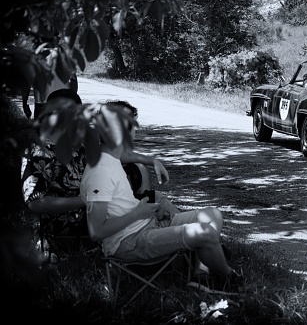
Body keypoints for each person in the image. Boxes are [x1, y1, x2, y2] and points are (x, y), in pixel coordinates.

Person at [80, 100, 243, 294]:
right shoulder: (100, 173)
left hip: (146, 225)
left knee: (213, 215)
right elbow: (96, 231)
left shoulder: (107, 157)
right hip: (129, 242)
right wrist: (137, 214)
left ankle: (201, 275)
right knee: (206, 232)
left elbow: (123, 157)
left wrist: (151, 161)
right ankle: (230, 278)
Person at [20, 91, 171, 249]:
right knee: (155, 203)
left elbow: (112, 154)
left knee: (146, 184)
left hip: (97, 207)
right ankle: (153, 245)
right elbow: (35, 203)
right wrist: (83, 201)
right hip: (69, 222)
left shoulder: (76, 143)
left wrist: (151, 161)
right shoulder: (37, 153)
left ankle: (164, 239)